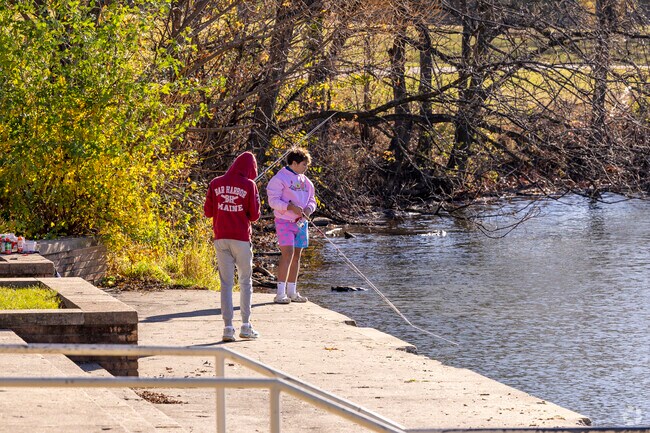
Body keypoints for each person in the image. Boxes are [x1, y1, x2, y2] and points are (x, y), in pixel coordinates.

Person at [204, 151, 261, 342]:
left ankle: (228, 328)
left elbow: (208, 212)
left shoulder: (215, 182)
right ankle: (246, 325)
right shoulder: (249, 185)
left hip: (221, 238)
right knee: (245, 281)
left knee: (226, 284)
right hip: (241, 239)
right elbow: (254, 215)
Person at [266, 148, 317, 304]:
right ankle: (280, 293)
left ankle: (292, 292)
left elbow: (312, 200)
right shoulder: (279, 179)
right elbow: (273, 201)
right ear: (294, 163)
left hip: (302, 224)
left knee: (297, 255)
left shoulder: (306, 181)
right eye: (303, 164)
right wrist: (289, 207)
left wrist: (309, 209)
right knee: (287, 253)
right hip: (284, 222)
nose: (305, 168)